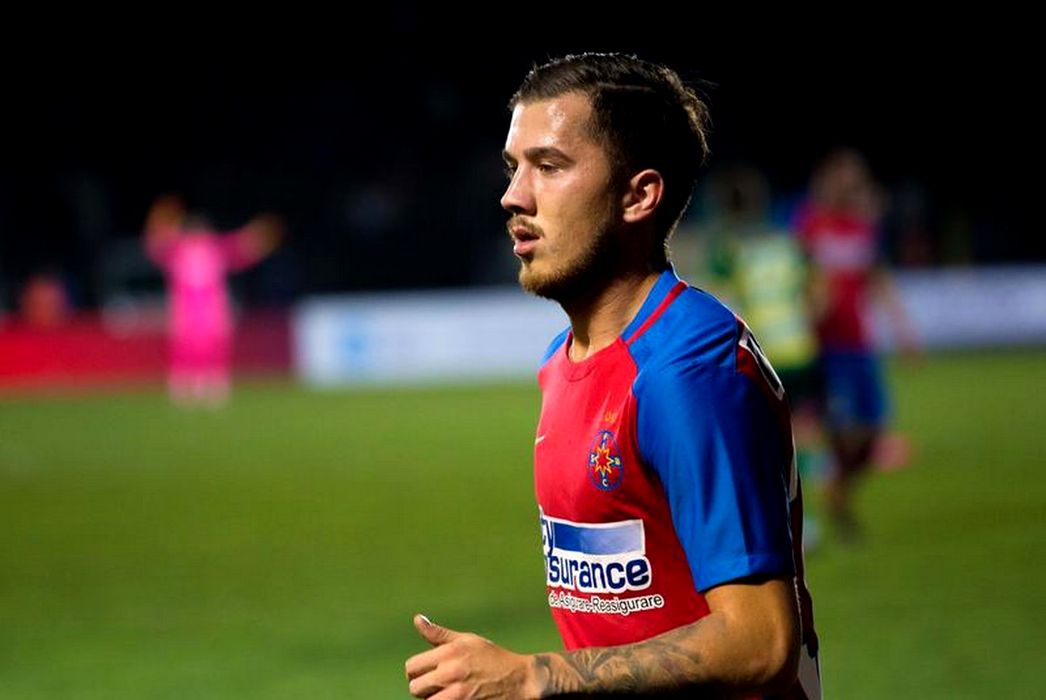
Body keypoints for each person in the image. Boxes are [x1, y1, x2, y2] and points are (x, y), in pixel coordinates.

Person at [405, 53, 820, 699]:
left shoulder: (687, 370)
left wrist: (534, 675)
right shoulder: (563, 360)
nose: (513, 196)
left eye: (549, 166)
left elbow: (760, 642)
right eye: (514, 168)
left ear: (638, 195)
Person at [792, 147, 919, 541]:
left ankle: (838, 489)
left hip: (860, 343)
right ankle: (825, 499)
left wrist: (903, 329)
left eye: (854, 179)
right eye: (842, 178)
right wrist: (809, 309)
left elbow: (877, 279)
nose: (848, 186)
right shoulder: (810, 224)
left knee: (873, 429)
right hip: (826, 347)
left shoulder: (863, 228)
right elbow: (792, 275)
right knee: (842, 428)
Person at [144, 194, 282, 407]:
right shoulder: (177, 248)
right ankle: (183, 385)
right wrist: (160, 219)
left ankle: (214, 383)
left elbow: (244, 246)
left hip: (212, 303)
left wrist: (260, 234)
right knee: (184, 342)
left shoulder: (215, 247)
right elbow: (156, 244)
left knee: (215, 341)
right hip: (184, 304)